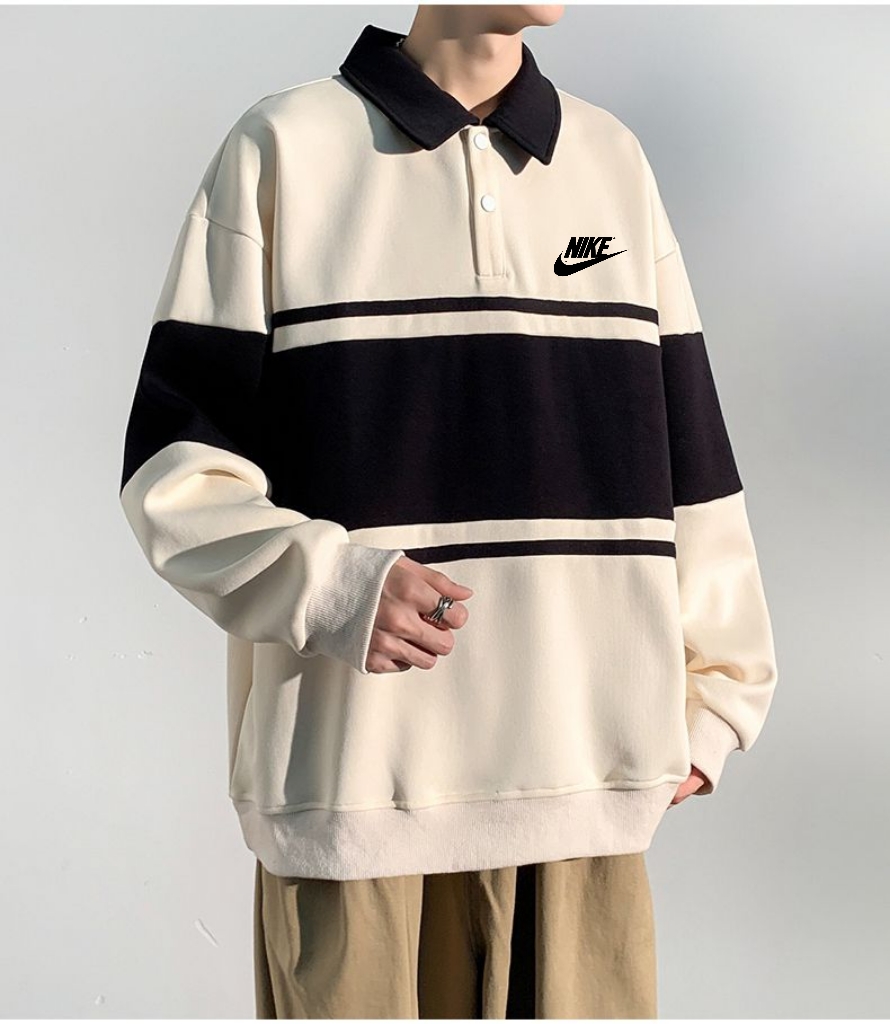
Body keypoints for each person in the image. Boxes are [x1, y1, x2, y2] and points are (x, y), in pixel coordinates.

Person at [119, 5, 779, 1018]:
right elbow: (174, 470)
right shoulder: (284, 148)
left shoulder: (607, 158)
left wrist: (717, 692)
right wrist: (335, 586)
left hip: (586, 790)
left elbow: (689, 450)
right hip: (353, 795)